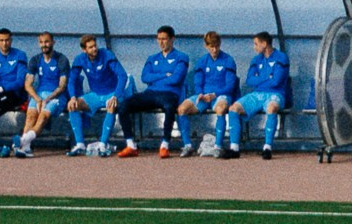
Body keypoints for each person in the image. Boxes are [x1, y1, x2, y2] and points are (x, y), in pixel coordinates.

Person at [68, 34, 134, 155]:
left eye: (95, 45)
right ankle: (80, 144)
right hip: (95, 95)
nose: (94, 49)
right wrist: (72, 97)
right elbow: (71, 80)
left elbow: (122, 75)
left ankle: (103, 144)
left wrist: (116, 96)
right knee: (73, 105)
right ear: (84, 50)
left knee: (111, 105)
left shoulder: (106, 55)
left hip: (112, 93)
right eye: (90, 47)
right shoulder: (80, 59)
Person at [131, 25, 190, 157]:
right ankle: (130, 144)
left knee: (171, 107)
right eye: (159, 39)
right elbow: (144, 77)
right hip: (151, 93)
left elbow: (176, 79)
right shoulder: (152, 58)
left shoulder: (181, 57)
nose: (161, 42)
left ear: (172, 39)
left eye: (164, 39)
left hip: (169, 94)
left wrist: (156, 79)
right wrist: (164, 75)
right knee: (125, 105)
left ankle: (166, 144)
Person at [180, 31, 241, 157]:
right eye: (211, 47)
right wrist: (200, 94)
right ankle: (187, 145)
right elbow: (198, 82)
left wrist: (214, 94)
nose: (214, 50)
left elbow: (230, 86)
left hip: (221, 95)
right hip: (204, 97)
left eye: (217, 46)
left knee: (221, 109)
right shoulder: (202, 62)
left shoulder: (228, 60)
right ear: (206, 46)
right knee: (182, 109)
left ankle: (217, 146)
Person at [240, 29, 291, 159]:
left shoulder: (281, 57)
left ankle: (267, 147)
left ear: (264, 44)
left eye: (256, 44)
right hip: (258, 94)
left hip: (276, 94)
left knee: (271, 108)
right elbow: (249, 80)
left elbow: (277, 82)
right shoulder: (256, 60)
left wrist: (260, 79)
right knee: (234, 108)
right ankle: (234, 148)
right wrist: (267, 77)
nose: (254, 47)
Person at [18, 31, 70, 156]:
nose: (44, 45)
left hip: (56, 96)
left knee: (43, 116)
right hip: (39, 95)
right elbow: (28, 84)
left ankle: (22, 140)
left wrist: (46, 100)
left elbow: (62, 86)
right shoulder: (35, 60)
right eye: (41, 42)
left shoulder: (61, 59)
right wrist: (37, 99)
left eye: (46, 42)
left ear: (53, 42)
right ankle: (26, 148)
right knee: (30, 116)